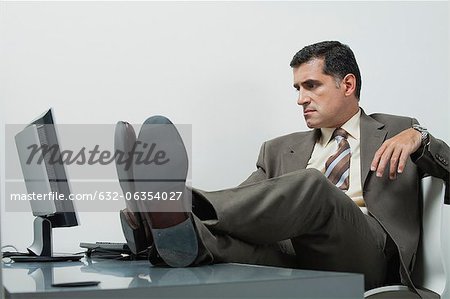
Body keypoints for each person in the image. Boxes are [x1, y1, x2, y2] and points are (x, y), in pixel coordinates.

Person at [115, 41, 449, 293]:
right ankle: (165, 233)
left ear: (347, 85)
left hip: (368, 261)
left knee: (313, 185)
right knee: (224, 238)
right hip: (294, 257)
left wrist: (419, 137)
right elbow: (242, 205)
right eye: (297, 89)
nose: (300, 99)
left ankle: (175, 204)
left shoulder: (396, 129)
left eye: (311, 86)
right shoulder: (278, 149)